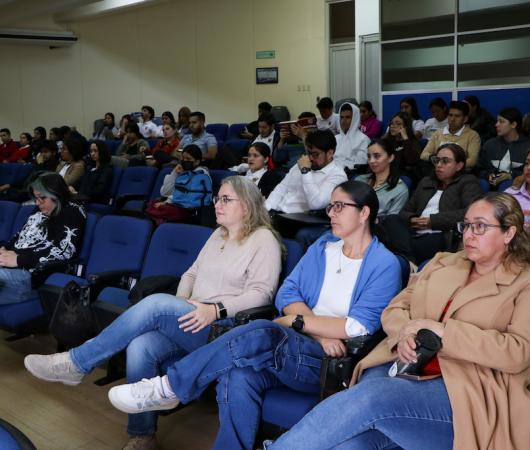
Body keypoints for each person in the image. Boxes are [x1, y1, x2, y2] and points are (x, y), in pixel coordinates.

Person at [104, 181, 402, 450]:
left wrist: (296, 321)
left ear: (364, 213)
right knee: (239, 374)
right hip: (303, 343)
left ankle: (171, 386)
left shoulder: (384, 264)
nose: (331, 213)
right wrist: (318, 331)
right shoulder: (323, 247)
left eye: (340, 206)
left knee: (263, 330)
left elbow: (357, 326)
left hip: (328, 363)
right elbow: (287, 295)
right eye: (330, 206)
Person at [265, 191, 530, 450]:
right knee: (353, 443)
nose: (469, 235)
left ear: (509, 232)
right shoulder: (442, 263)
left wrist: (442, 332)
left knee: (371, 398)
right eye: (466, 225)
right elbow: (395, 308)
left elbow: (518, 352)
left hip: (468, 388)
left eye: (481, 226)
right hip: (401, 362)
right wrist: (406, 333)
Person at [24, 176, 282, 450]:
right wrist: (181, 304)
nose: (217, 204)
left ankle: (76, 363)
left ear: (247, 205)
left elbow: (262, 294)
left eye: (225, 199)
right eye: (216, 198)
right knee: (141, 346)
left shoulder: (264, 239)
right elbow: (191, 273)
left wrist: (214, 309)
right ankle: (143, 434)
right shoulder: (218, 234)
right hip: (192, 317)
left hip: (224, 328)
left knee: (158, 304)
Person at [386, 143, 483, 263]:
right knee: (390, 220)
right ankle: (409, 258)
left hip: (440, 235)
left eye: (445, 161)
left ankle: (405, 257)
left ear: (459, 166)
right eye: (437, 160)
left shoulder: (468, 182)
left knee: (394, 242)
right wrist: (412, 219)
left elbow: (471, 213)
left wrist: (433, 221)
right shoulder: (427, 182)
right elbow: (405, 211)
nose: (438, 165)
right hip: (413, 232)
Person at [0, 173, 86, 304]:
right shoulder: (40, 209)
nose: (38, 203)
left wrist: (19, 259)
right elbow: (21, 234)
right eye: (36, 198)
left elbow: (63, 251)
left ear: (56, 195)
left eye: (42, 198)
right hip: (10, 267)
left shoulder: (72, 212)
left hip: (30, 275)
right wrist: (5, 248)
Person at [265, 129, 347, 214]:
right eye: (309, 153)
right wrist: (266, 210)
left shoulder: (338, 175)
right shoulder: (300, 165)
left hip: (300, 220)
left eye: (315, 154)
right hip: (278, 214)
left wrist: (306, 172)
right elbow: (281, 189)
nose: (310, 158)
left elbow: (316, 204)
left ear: (330, 153)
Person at [144, 144, 211, 225]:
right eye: (183, 158)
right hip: (176, 204)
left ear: (197, 162)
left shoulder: (202, 174)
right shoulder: (183, 170)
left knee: (160, 208)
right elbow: (165, 192)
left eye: (188, 159)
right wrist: (174, 173)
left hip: (191, 210)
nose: (184, 161)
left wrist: (167, 202)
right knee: (153, 204)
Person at [478, 107, 530, 189]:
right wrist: (488, 175)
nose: (496, 125)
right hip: (490, 187)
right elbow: (479, 169)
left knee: (506, 185)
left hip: (514, 187)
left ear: (513, 124)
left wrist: (510, 175)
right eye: (497, 121)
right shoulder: (490, 144)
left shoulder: (528, 147)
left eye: (501, 122)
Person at [356, 139, 409, 218]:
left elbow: (391, 221)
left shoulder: (400, 189)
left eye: (377, 156)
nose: (371, 161)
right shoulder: (359, 179)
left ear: (390, 158)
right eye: (369, 156)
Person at [421, 101, 481, 169]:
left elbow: (472, 161)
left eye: (457, 116)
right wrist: (433, 158)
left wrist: (452, 167)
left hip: (460, 174)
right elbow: (423, 155)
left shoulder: (472, 135)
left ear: (465, 119)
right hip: (438, 170)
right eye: (450, 115)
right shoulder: (438, 133)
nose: (452, 119)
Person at [383, 112, 421, 176]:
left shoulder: (412, 142)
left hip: (404, 175)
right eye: (391, 123)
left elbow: (412, 161)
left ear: (406, 127)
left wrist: (405, 139)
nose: (392, 126)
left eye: (398, 124)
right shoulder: (387, 142)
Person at [334, 103, 370, 170]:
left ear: (355, 119)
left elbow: (361, 163)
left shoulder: (363, 139)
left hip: (350, 175)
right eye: (341, 117)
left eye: (348, 117)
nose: (343, 121)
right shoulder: (335, 138)